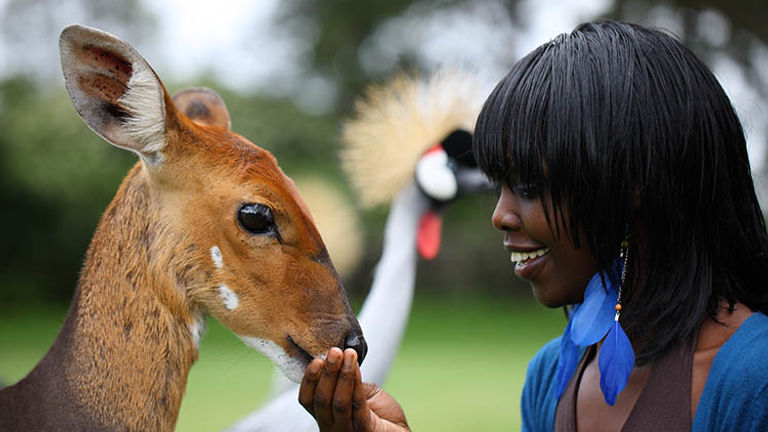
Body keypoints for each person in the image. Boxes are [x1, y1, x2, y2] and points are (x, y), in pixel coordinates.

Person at [297, 20, 768, 431]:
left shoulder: (753, 378)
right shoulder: (551, 377)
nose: (499, 215)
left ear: (629, 185)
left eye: (527, 185)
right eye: (499, 186)